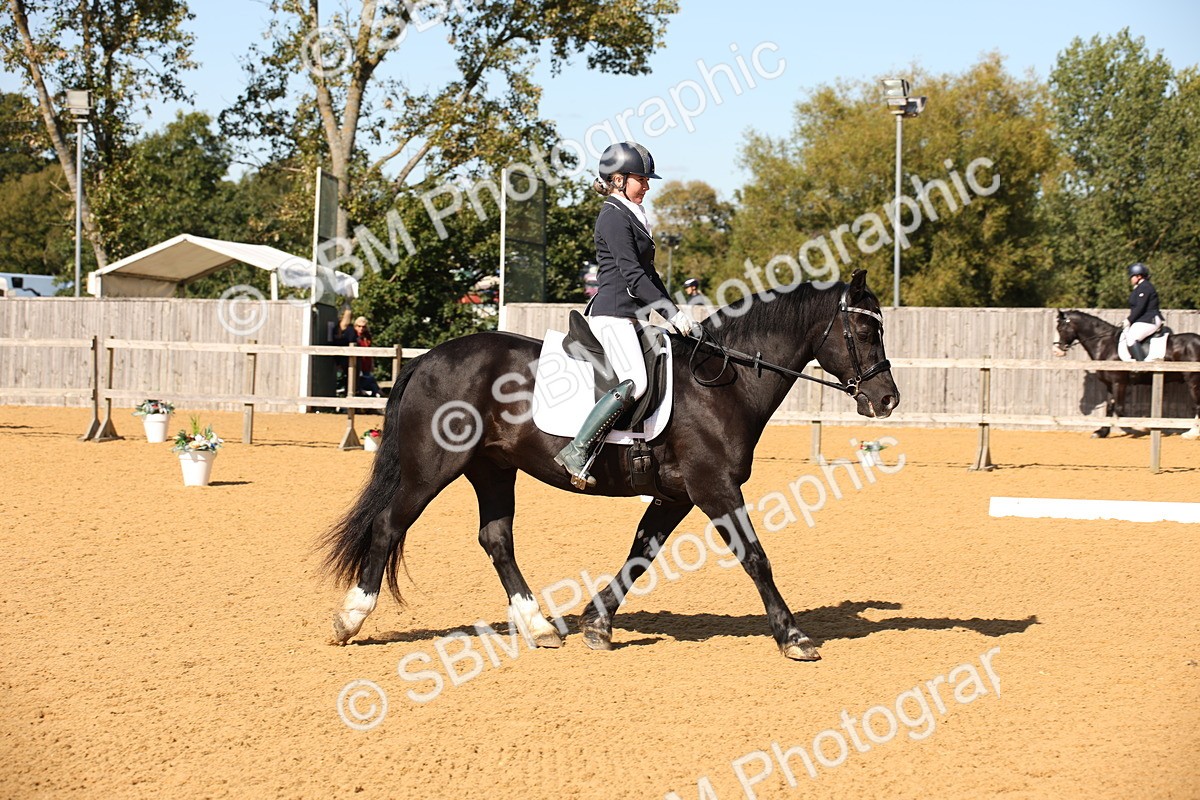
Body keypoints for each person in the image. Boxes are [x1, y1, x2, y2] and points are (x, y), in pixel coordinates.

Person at [553, 141, 695, 490]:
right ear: (618, 180)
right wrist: (669, 314)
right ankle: (578, 449)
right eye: (641, 179)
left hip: (631, 316)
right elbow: (632, 275)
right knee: (637, 381)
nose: (647, 185)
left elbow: (650, 276)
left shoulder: (632, 215)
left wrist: (674, 312)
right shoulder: (613, 217)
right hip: (612, 315)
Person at [1123, 263, 1164, 361]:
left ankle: (1142, 366)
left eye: (1132, 276)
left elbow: (1140, 307)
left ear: (1139, 276)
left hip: (1150, 320)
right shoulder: (1139, 288)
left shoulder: (1145, 287)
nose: (1131, 279)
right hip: (1144, 320)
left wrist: (1129, 320)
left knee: (1131, 337)